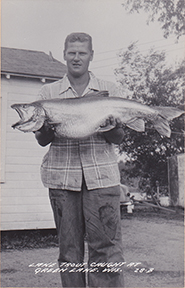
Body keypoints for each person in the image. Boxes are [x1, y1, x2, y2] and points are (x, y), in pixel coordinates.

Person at [35, 32, 125, 288]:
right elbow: (42, 140)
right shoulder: (48, 92)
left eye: (82, 52)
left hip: (103, 180)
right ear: (64, 55)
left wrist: (111, 127)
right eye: (71, 52)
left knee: (106, 252)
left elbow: (118, 138)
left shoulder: (110, 91)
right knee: (70, 253)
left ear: (91, 56)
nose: (76, 57)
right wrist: (47, 127)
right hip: (62, 181)